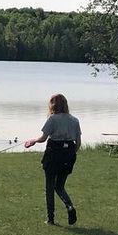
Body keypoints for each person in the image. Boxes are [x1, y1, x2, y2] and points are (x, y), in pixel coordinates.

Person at [24, 93, 81, 225]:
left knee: (50, 188)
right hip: (68, 155)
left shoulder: (52, 119)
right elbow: (78, 143)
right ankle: (69, 206)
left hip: (53, 154)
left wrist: (32, 141)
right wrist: (71, 154)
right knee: (60, 186)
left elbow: (43, 138)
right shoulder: (75, 120)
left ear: (52, 105)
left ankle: (51, 219)